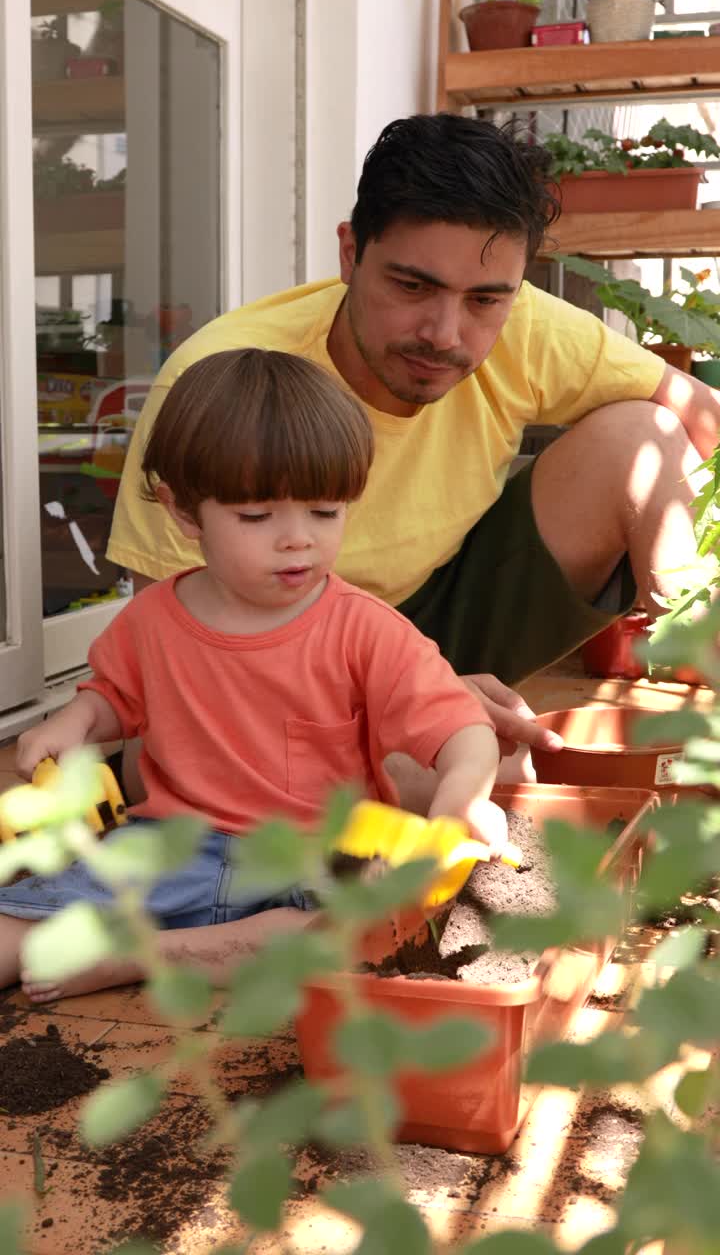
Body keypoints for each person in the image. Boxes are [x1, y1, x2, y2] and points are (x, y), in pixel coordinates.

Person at [107, 112, 720, 787]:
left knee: (648, 438)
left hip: (435, 619)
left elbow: (699, 411)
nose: (445, 332)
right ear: (350, 254)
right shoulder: (222, 382)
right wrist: (401, 703)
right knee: (472, 775)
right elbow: (175, 669)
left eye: (486, 299)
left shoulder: (523, 323)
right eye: (412, 286)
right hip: (270, 678)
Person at [4, 348, 504, 1002]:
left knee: (348, 936)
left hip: (313, 862)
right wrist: (75, 721)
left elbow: (462, 727)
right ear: (184, 512)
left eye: (325, 513)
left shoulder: (364, 627)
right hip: (172, 851)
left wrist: (462, 798)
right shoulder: (152, 617)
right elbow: (114, 696)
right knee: (14, 924)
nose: (297, 539)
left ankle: (146, 954)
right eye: (256, 517)